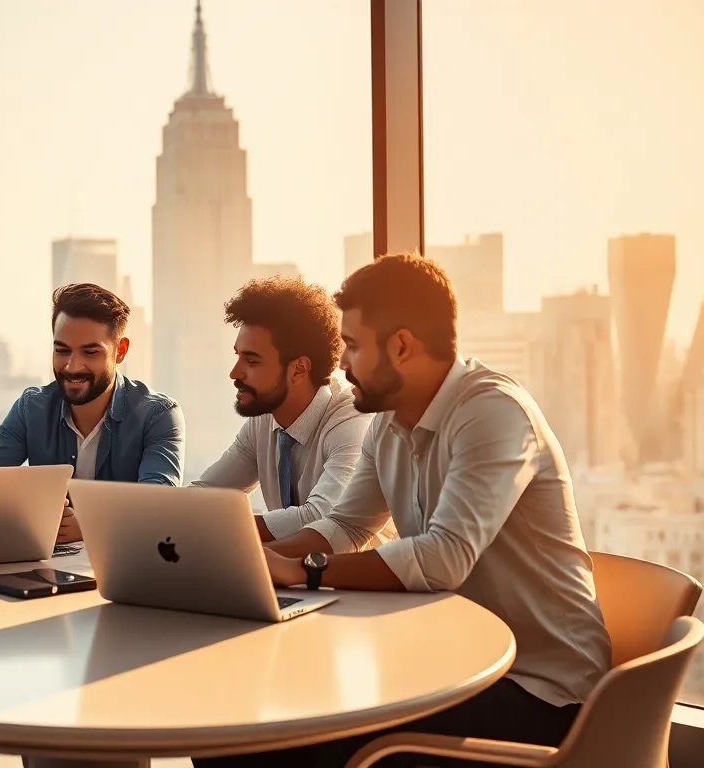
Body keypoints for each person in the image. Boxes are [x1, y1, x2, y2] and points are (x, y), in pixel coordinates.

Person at [199, 255, 611, 768]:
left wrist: (304, 570)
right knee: (236, 727)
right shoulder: (387, 422)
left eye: (353, 346)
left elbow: (442, 558)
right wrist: (257, 562)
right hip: (454, 665)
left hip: (541, 690)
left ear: (400, 346)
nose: (342, 365)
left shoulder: (493, 413)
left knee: (294, 739)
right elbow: (345, 524)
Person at [0, 283, 185, 543]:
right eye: (62, 351)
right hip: (44, 562)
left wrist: (89, 523)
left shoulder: (158, 415)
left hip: (125, 563)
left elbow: (159, 506)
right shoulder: (31, 408)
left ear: (120, 351)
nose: (72, 367)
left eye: (90, 352)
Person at [192, 276, 377, 542]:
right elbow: (205, 495)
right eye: (237, 356)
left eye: (252, 361)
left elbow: (321, 517)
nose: (234, 373)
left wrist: (219, 525)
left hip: (350, 569)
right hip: (283, 567)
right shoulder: (263, 421)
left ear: (299, 369)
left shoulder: (352, 421)